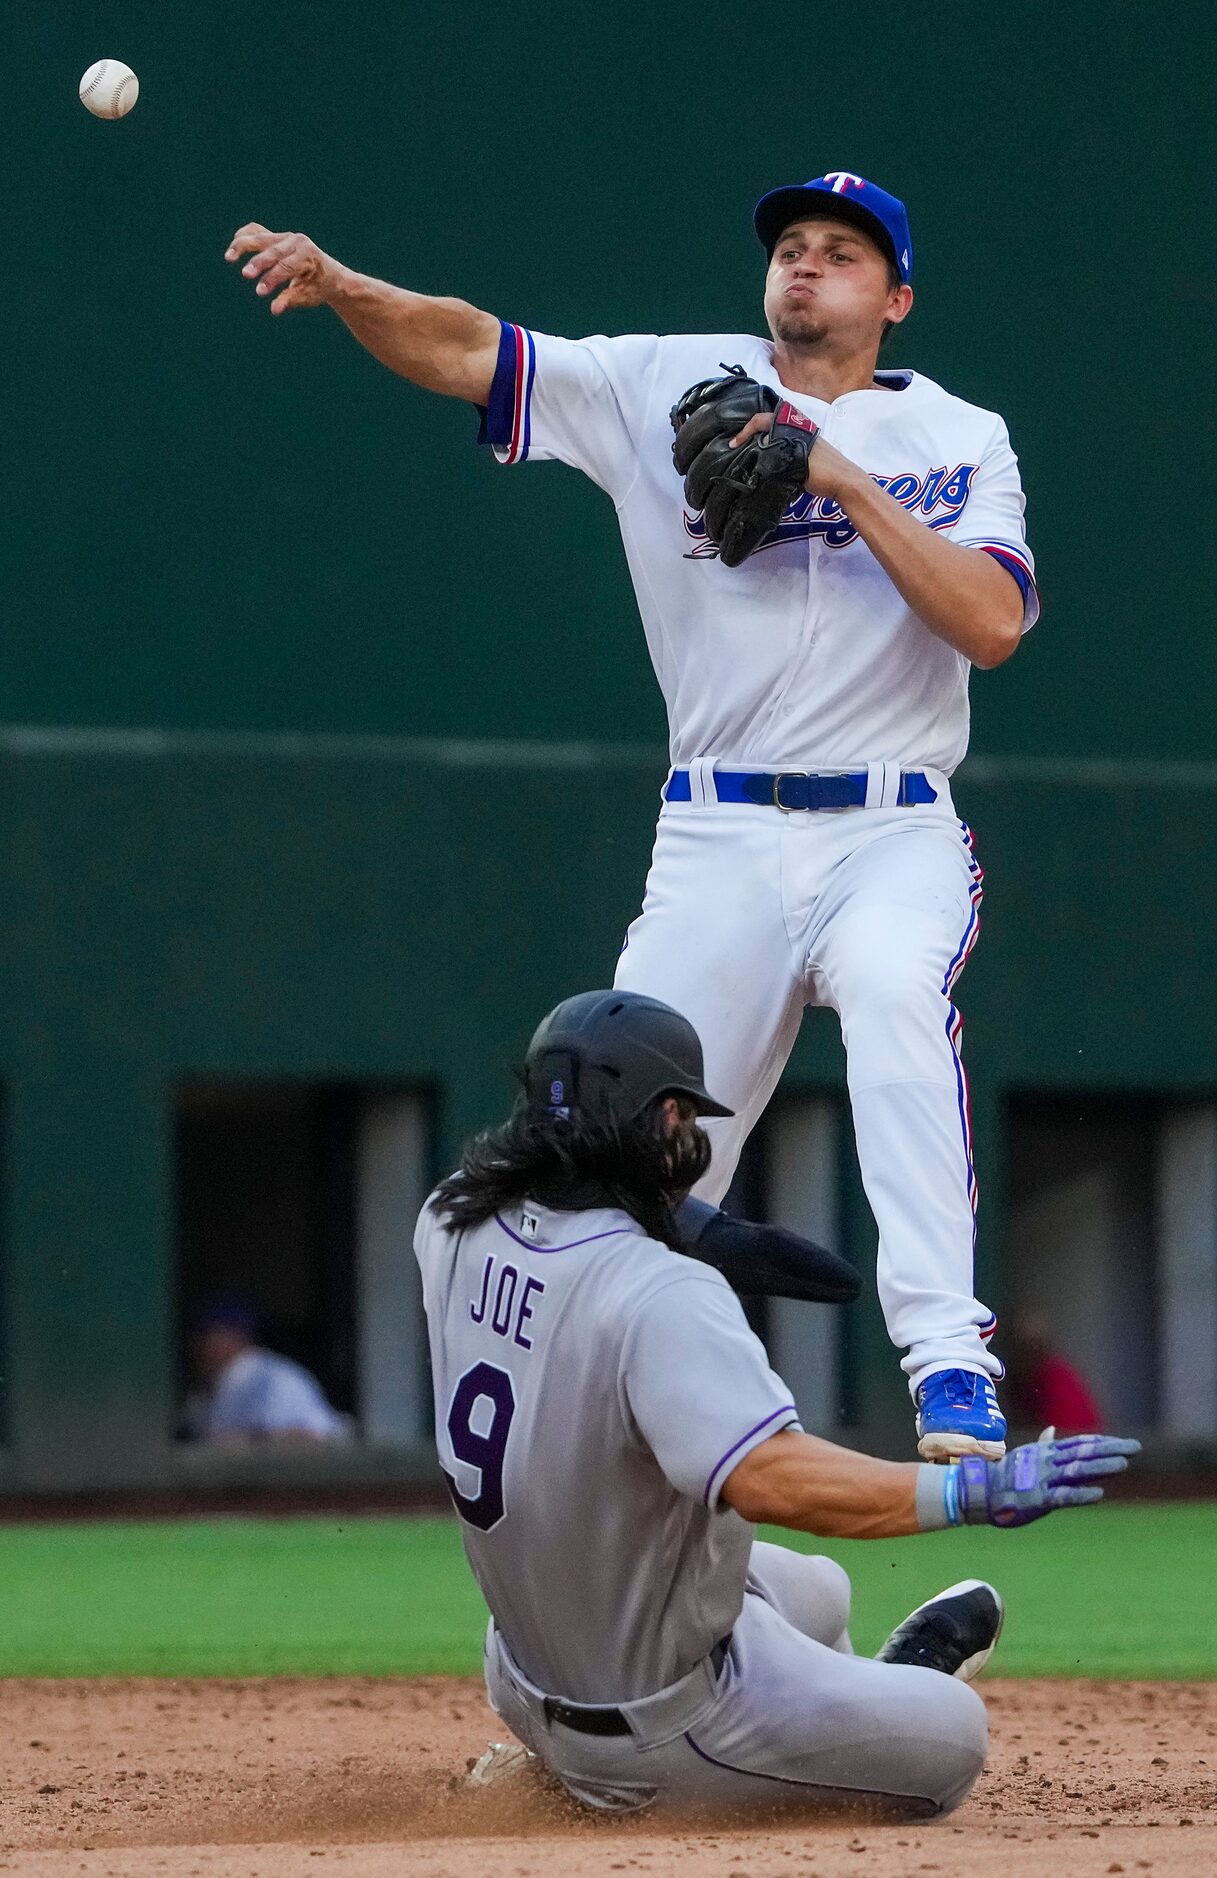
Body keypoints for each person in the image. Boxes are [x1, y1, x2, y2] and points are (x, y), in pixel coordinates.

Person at [228, 169, 1037, 1460]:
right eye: (790, 245)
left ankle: (948, 1363)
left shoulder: (961, 437)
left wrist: (832, 472)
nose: (804, 265)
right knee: (632, 1134)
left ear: (897, 297)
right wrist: (340, 288)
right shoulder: (666, 378)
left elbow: (993, 622)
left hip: (891, 824)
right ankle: (589, 1416)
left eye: (840, 251)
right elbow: (470, 349)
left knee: (893, 986)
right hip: (718, 828)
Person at [415, 989, 1136, 1820]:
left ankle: (806, 1703)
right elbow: (774, 1480)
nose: (692, 1137)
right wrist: (970, 1493)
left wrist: (694, 1227)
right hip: (662, 1726)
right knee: (955, 1738)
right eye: (682, 1117)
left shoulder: (451, 1219)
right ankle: (859, 1708)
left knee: (822, 1593)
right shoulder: (661, 1296)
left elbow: (531, 1181)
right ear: (663, 1116)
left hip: (526, 1665)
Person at [183, 1298, 349, 1445]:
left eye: (209, 1335)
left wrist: (246, 1442)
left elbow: (314, 1437)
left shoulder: (269, 1376)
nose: (199, 1346)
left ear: (237, 1336)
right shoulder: (211, 1386)